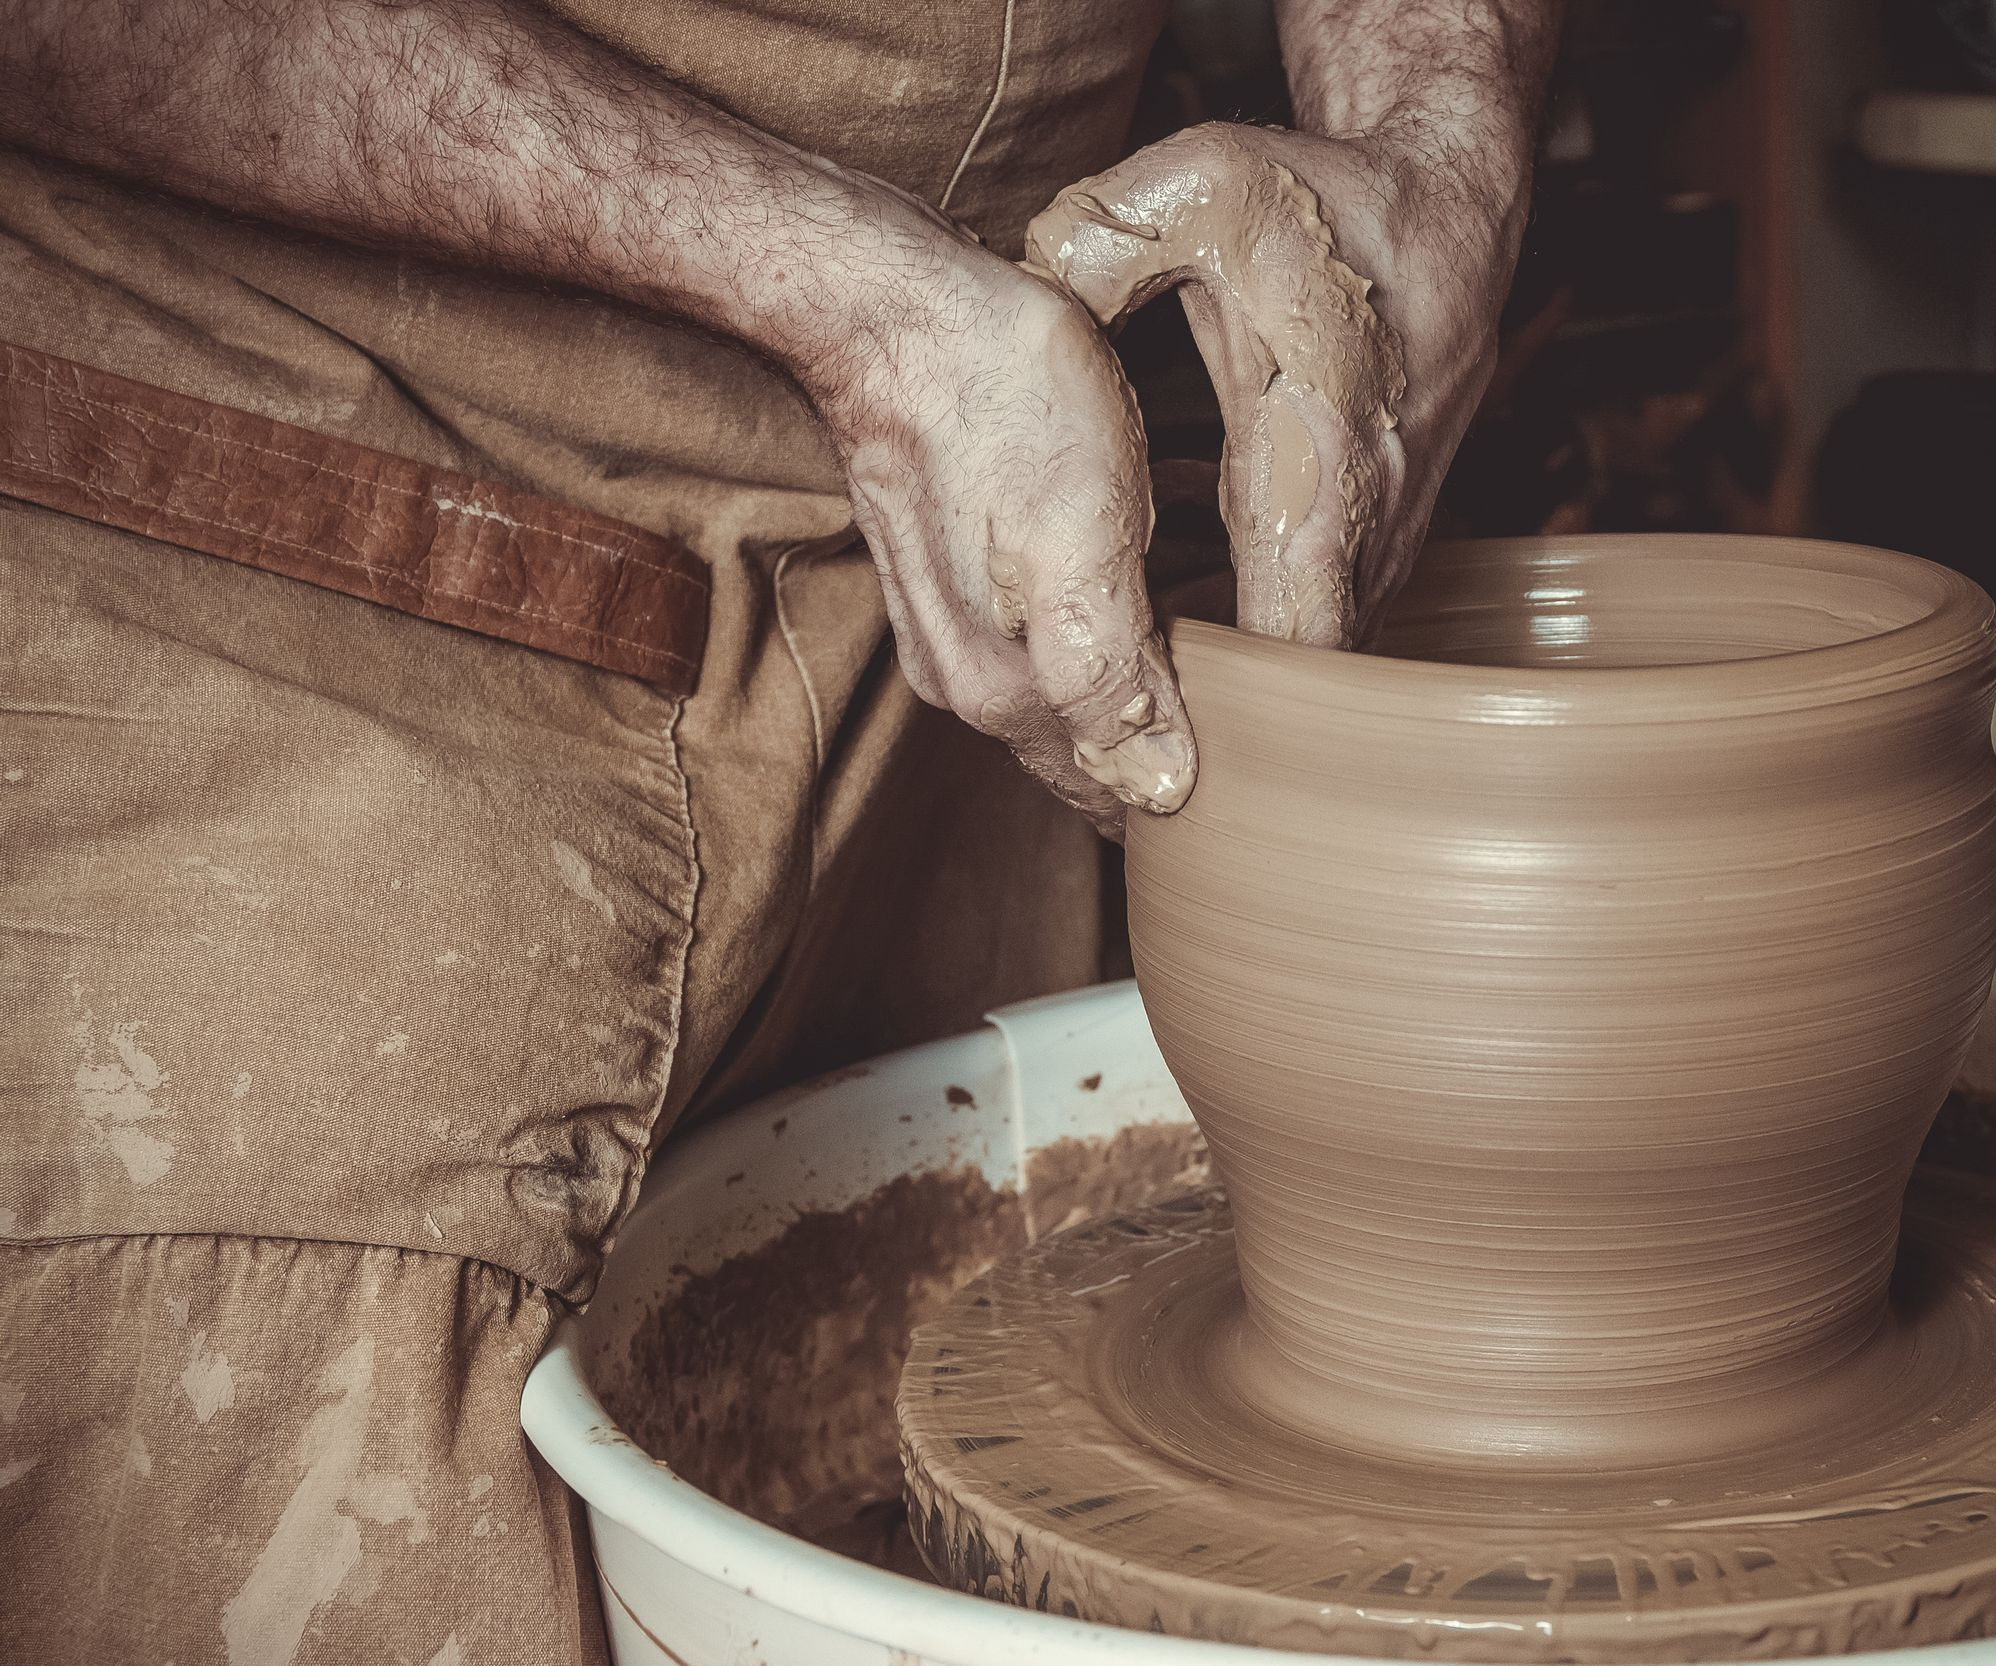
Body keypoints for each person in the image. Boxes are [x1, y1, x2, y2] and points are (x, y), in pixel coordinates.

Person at [0, 0, 1558, 1660]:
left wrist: (1441, 149)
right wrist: (850, 301)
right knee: (324, 1476)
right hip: (283, 514)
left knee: (996, 1367)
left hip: (973, 557)